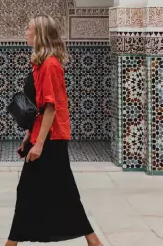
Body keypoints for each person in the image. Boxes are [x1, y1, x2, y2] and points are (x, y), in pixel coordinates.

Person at [6, 15, 102, 246]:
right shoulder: (40, 63)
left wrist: (39, 144)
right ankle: (93, 240)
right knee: (60, 190)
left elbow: (50, 107)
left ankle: (11, 243)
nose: (25, 33)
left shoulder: (50, 65)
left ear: (39, 34)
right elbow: (38, 107)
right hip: (43, 136)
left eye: (28, 29)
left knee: (32, 191)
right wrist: (29, 135)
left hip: (50, 140)